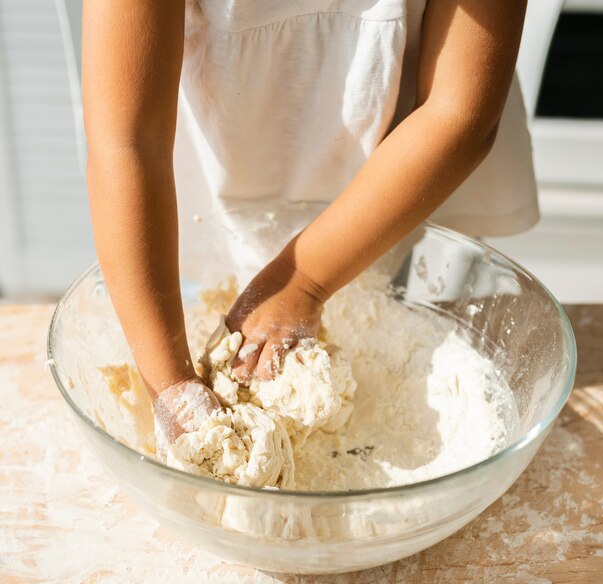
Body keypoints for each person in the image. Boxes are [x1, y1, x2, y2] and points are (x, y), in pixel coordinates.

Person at [82, 0, 538, 448]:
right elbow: (128, 142)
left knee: (436, 356)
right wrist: (171, 385)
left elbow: (460, 112)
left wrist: (304, 280)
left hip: (412, 186)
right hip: (192, 203)